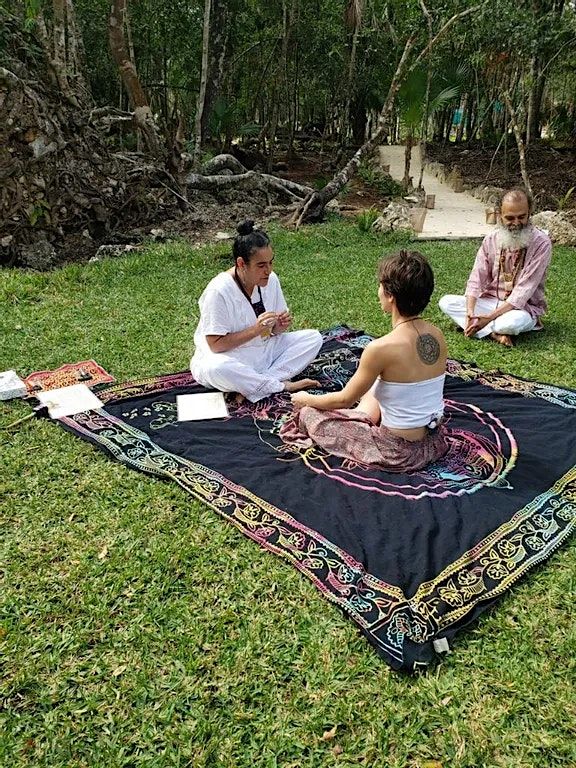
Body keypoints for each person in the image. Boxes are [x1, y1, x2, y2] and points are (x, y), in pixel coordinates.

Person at [280, 250, 449, 473]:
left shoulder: (381, 348)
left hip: (399, 452)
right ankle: (364, 416)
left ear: (390, 295)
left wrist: (306, 399)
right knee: (379, 383)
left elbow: (343, 399)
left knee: (309, 415)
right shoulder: (437, 335)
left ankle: (361, 418)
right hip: (434, 441)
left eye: (380, 286)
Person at [190, 221, 322, 403]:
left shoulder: (271, 280)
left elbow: (273, 332)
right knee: (215, 368)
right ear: (241, 263)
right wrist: (255, 330)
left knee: (313, 338)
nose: (268, 270)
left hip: (264, 351)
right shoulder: (219, 291)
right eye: (261, 265)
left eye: (270, 263)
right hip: (230, 356)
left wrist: (279, 326)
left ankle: (254, 384)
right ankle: (281, 385)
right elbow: (215, 345)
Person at [438, 187, 552, 347]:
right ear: (500, 215)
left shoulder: (541, 243)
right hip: (490, 301)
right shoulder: (491, 239)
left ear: (529, 213)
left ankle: (488, 327)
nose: (517, 223)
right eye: (510, 218)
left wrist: (488, 317)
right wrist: (470, 312)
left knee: (508, 325)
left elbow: (523, 292)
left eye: (522, 217)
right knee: (446, 302)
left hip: (521, 309)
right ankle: (493, 333)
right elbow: (477, 277)